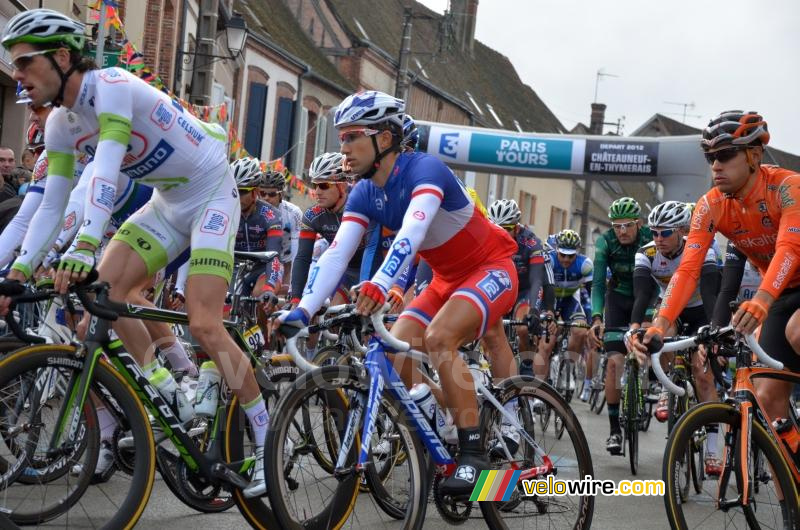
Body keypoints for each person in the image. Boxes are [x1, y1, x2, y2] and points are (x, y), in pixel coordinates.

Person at [1, 9, 268, 496]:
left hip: (210, 190)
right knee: (106, 294)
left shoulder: (112, 85)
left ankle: (267, 444)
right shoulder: (60, 124)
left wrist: (86, 244)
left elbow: (105, 169)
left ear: (61, 57)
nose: (17, 75)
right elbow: (51, 204)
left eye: (24, 63)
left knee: (205, 324)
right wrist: (18, 271)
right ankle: (167, 389)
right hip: (168, 202)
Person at [278, 90, 519, 496]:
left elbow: (413, 231)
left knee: (439, 338)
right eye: (341, 137)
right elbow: (337, 254)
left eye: (352, 136)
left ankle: (474, 453)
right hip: (445, 279)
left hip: (490, 267)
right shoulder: (363, 191)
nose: (343, 147)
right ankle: (448, 416)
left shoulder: (425, 169)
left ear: (384, 139)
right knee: (393, 347)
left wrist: (381, 282)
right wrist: (303, 310)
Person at [638, 110, 800, 430]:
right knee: (766, 400)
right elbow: (688, 270)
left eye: (725, 155)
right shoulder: (710, 205)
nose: (715, 165)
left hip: (777, 291)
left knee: (797, 330)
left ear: (754, 156)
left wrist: (761, 300)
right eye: (710, 157)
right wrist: (660, 324)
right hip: (783, 294)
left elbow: (789, 249)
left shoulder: (787, 187)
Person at [628, 200, 722, 473]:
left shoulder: (702, 248)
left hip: (701, 310)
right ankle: (666, 384)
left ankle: (713, 448)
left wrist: (713, 332)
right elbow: (642, 294)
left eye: (666, 232)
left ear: (681, 230)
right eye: (654, 232)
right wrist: (634, 327)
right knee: (658, 332)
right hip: (671, 309)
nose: (659, 239)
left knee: (703, 376)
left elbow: (711, 292)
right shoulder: (646, 253)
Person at [586, 196, 653, 455]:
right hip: (618, 297)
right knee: (614, 363)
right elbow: (598, 284)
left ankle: (647, 378)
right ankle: (614, 430)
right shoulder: (605, 242)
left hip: (646, 295)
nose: (622, 231)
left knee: (646, 338)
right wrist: (596, 317)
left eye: (627, 225)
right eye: (617, 226)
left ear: (638, 223)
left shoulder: (650, 237)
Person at [486, 198, 555, 375]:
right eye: (495, 228)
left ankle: (526, 364)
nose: (500, 233)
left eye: (506, 229)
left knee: (523, 327)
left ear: (516, 228)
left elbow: (537, 280)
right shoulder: (486, 239)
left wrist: (534, 311)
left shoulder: (531, 243)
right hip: (499, 287)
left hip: (523, 290)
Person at [290, 152, 367, 307]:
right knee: (325, 310)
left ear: (342, 186)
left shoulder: (364, 204)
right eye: (315, 185)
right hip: (346, 270)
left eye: (324, 185)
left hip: (373, 267)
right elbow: (303, 258)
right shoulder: (313, 216)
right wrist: (296, 299)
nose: (317, 192)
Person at [536, 229, 592, 384]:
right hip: (549, 299)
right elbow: (541, 288)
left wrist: (593, 319)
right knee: (547, 343)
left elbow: (591, 294)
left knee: (580, 331)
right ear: (556, 250)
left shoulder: (585, 264)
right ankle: (540, 386)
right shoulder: (550, 260)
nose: (566, 259)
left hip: (570, 300)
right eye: (563, 255)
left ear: (577, 252)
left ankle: (568, 366)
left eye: (571, 256)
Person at [230, 156, 283, 298]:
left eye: (242, 191)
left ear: (255, 192)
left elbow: (273, 255)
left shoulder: (271, 215)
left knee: (261, 295)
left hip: (263, 267)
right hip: (234, 267)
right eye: (233, 190)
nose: (236, 196)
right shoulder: (226, 213)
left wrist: (269, 287)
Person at [259, 168, 302, 296]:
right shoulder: (253, 209)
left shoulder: (293, 213)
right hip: (260, 261)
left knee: (283, 294)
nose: (266, 198)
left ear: (281, 194)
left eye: (272, 194)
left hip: (285, 261)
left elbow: (296, 250)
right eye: (262, 193)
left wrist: (292, 284)